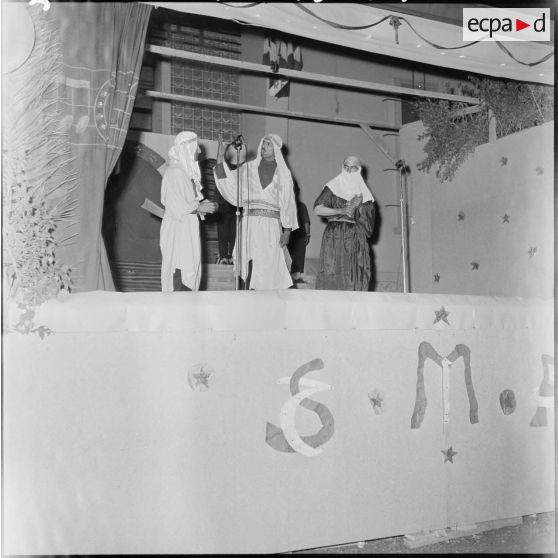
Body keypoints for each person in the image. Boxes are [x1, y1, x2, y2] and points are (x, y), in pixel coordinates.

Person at [213, 134, 298, 289]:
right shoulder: (248, 168)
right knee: (249, 263)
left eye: (269, 144)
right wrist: (220, 158)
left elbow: (288, 203)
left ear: (276, 149)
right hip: (249, 224)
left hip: (271, 226)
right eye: (263, 143)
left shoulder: (284, 174)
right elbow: (229, 183)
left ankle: (270, 304)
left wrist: (287, 231)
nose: (264, 146)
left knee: (270, 266)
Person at [160, 131, 217, 292]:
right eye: (196, 146)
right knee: (179, 272)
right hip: (178, 232)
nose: (199, 151)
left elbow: (186, 202)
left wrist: (200, 205)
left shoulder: (183, 173)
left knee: (190, 272)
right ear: (186, 148)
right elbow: (174, 204)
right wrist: (198, 207)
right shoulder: (175, 172)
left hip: (187, 230)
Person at [314, 156, 376, 291]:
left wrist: (359, 208)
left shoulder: (364, 193)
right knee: (332, 272)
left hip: (355, 237)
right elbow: (318, 209)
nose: (349, 170)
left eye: (353, 167)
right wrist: (340, 210)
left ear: (358, 170)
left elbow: (370, 225)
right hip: (334, 236)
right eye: (346, 167)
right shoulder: (332, 186)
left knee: (354, 274)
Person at [288, 197, 311, 284]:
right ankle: (292, 278)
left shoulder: (301, 206)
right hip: (289, 234)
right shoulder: (286, 204)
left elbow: (306, 221)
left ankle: (295, 278)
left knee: (298, 257)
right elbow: (306, 222)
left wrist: (308, 234)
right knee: (290, 256)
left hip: (299, 235)